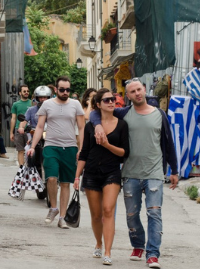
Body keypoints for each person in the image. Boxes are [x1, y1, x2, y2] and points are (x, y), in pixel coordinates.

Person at [91, 79, 178, 268]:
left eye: (139, 89)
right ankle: (138, 244)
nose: (137, 93)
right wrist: (97, 125)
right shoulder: (124, 113)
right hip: (130, 173)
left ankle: (153, 254)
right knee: (132, 215)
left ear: (144, 90)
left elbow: (169, 143)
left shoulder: (160, 114)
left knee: (154, 214)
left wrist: (175, 170)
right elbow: (95, 112)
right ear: (128, 96)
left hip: (154, 172)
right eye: (132, 91)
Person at [74, 88, 130, 266]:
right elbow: (84, 153)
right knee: (96, 215)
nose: (111, 102)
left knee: (108, 211)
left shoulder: (122, 125)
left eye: (113, 99)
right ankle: (98, 243)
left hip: (112, 172)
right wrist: (77, 177)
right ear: (98, 105)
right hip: (91, 172)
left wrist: (107, 144)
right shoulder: (91, 126)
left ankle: (107, 251)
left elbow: (124, 153)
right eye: (106, 100)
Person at [28, 76, 85, 229]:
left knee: (66, 183)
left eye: (68, 90)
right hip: (51, 146)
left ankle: (62, 218)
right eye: (62, 89)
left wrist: (81, 149)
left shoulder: (76, 104)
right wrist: (33, 146)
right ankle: (54, 208)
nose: (65, 92)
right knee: (51, 178)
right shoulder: (47, 104)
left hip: (70, 147)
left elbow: (81, 127)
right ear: (56, 89)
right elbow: (40, 127)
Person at [10, 84, 32, 165]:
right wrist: (11, 132)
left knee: (30, 149)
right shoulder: (16, 104)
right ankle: (21, 169)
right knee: (20, 150)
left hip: (30, 130)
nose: (26, 92)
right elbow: (13, 118)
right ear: (20, 93)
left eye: (27, 91)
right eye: (24, 91)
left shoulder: (32, 103)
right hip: (18, 130)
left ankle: (30, 168)